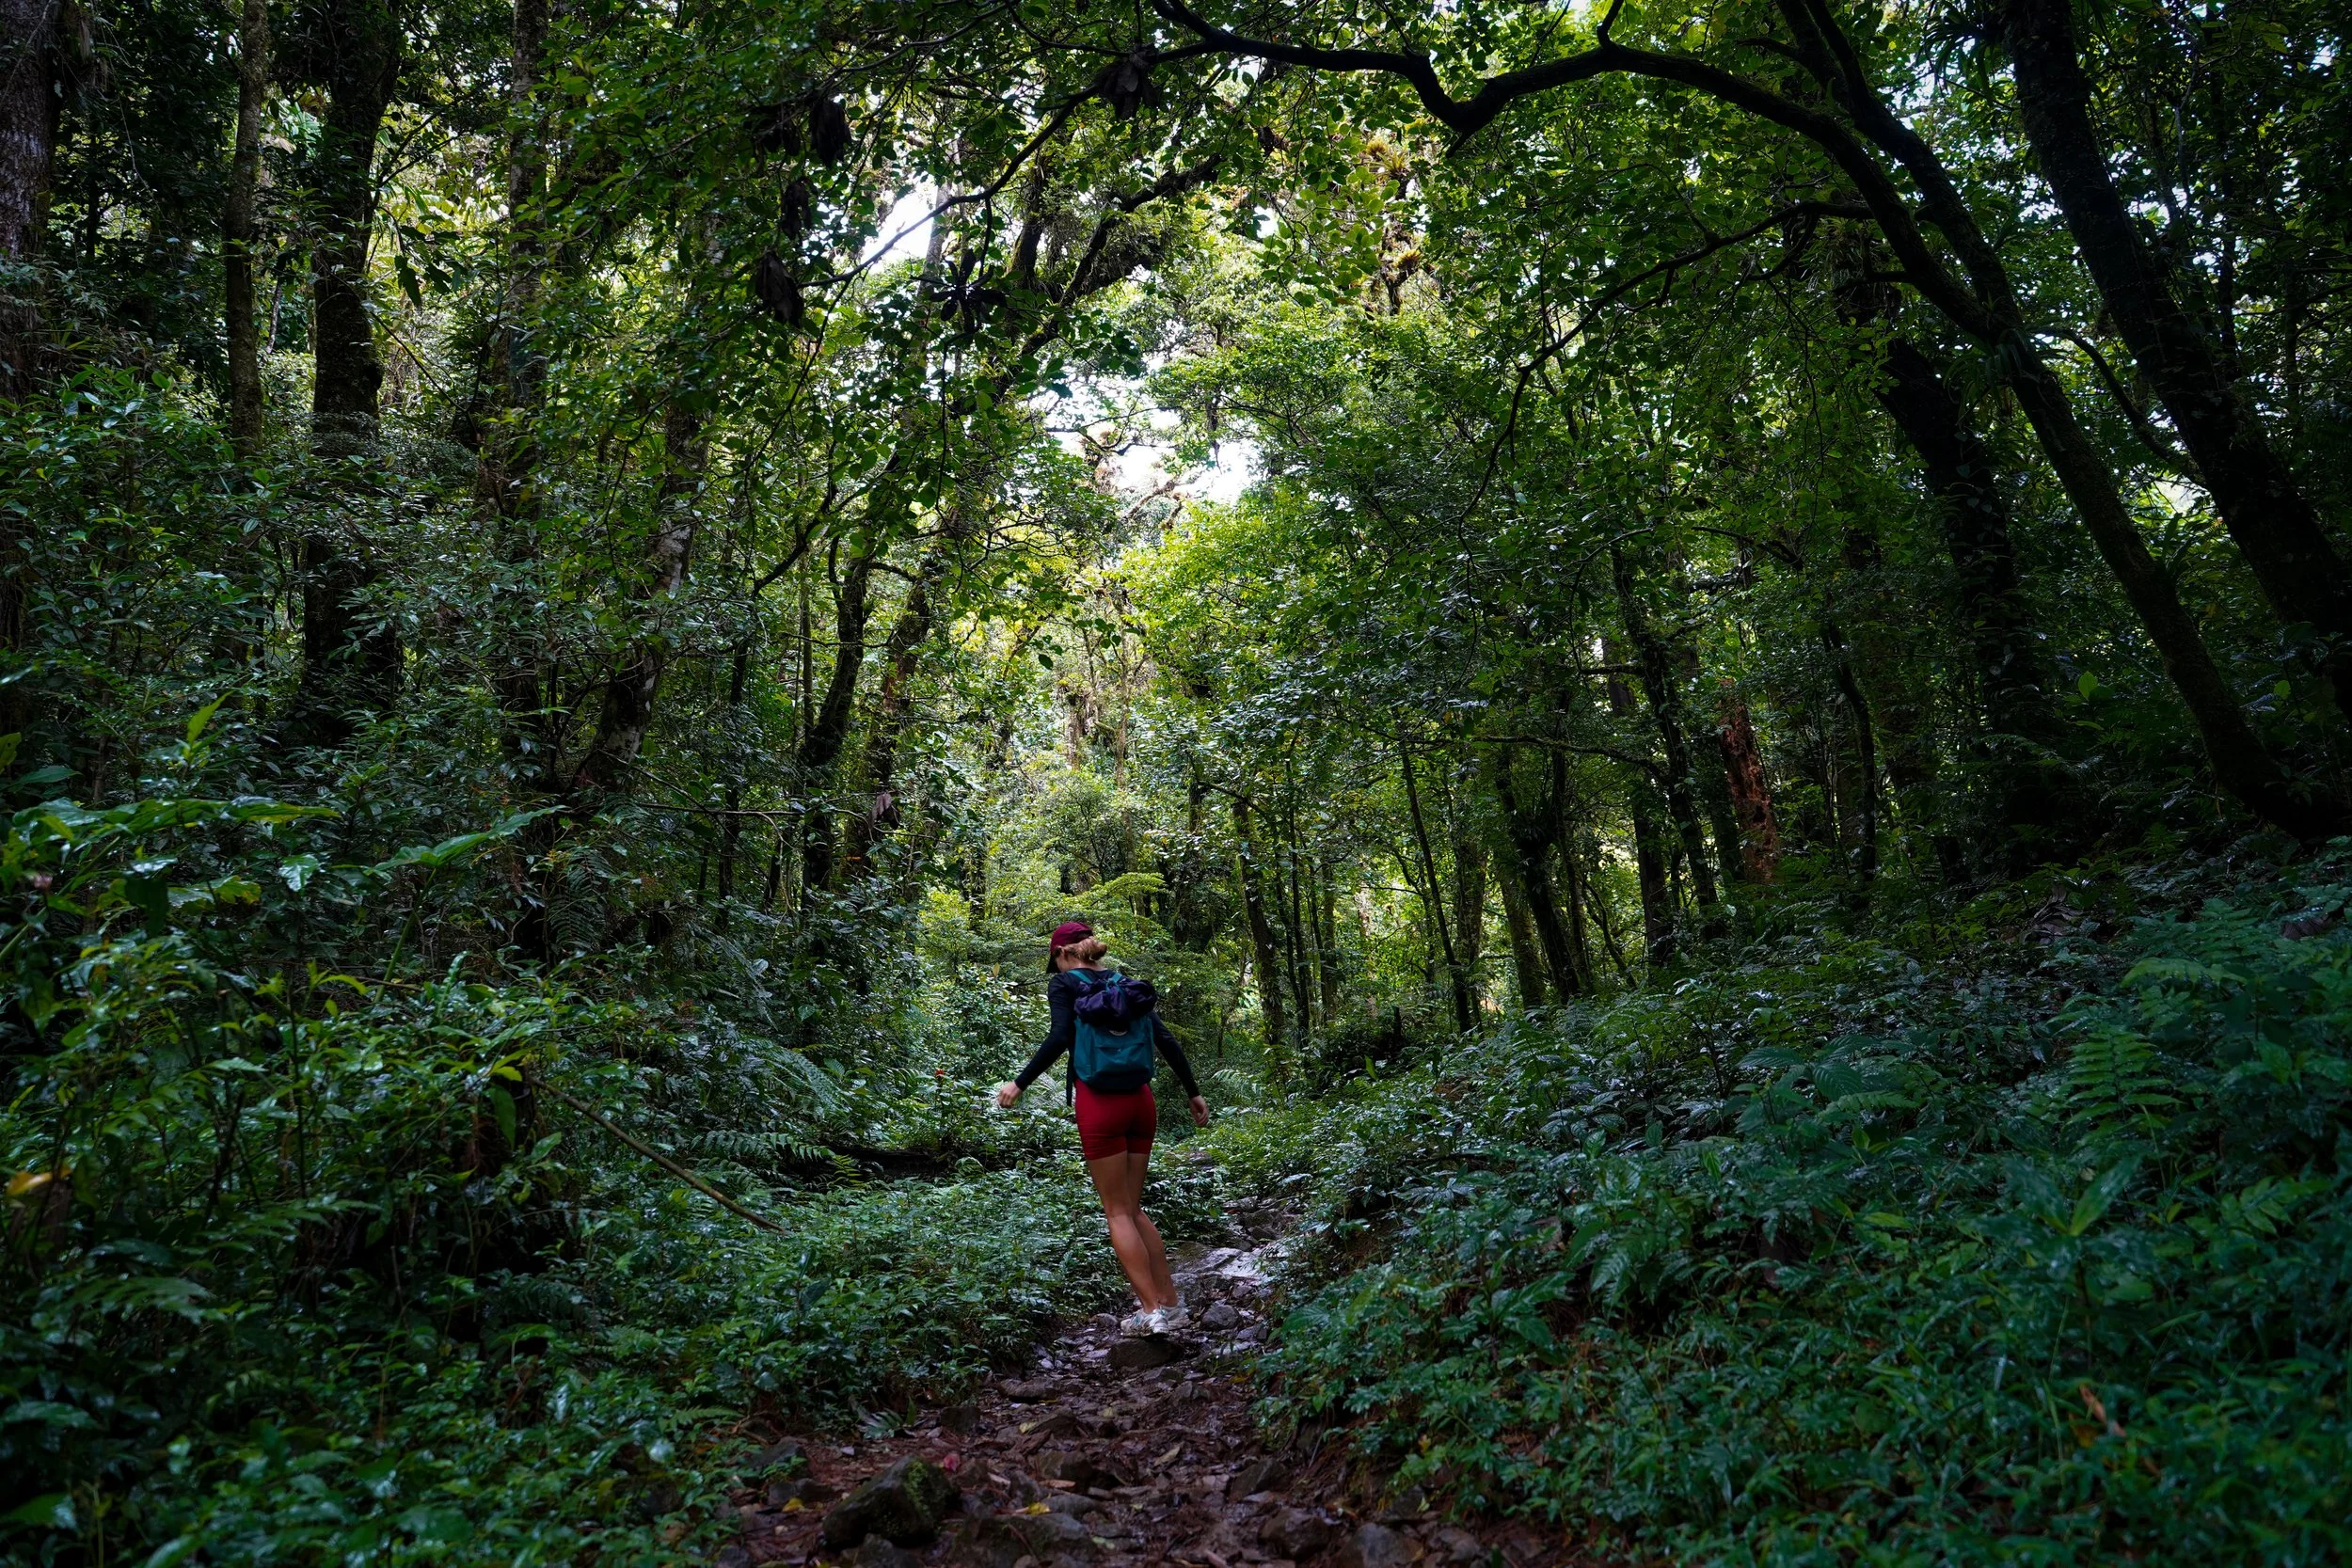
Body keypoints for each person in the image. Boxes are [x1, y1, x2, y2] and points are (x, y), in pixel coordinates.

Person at [995, 920, 1208, 1335]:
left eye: (1054, 961)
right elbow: (1165, 1040)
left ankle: (1150, 1313)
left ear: (1061, 953)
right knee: (1133, 1208)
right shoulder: (1125, 984)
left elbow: (1059, 1038)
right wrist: (1192, 1091)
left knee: (1116, 1212)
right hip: (1140, 1101)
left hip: (1099, 1103)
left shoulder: (1065, 986)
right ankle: (1171, 1304)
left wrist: (1018, 1083)